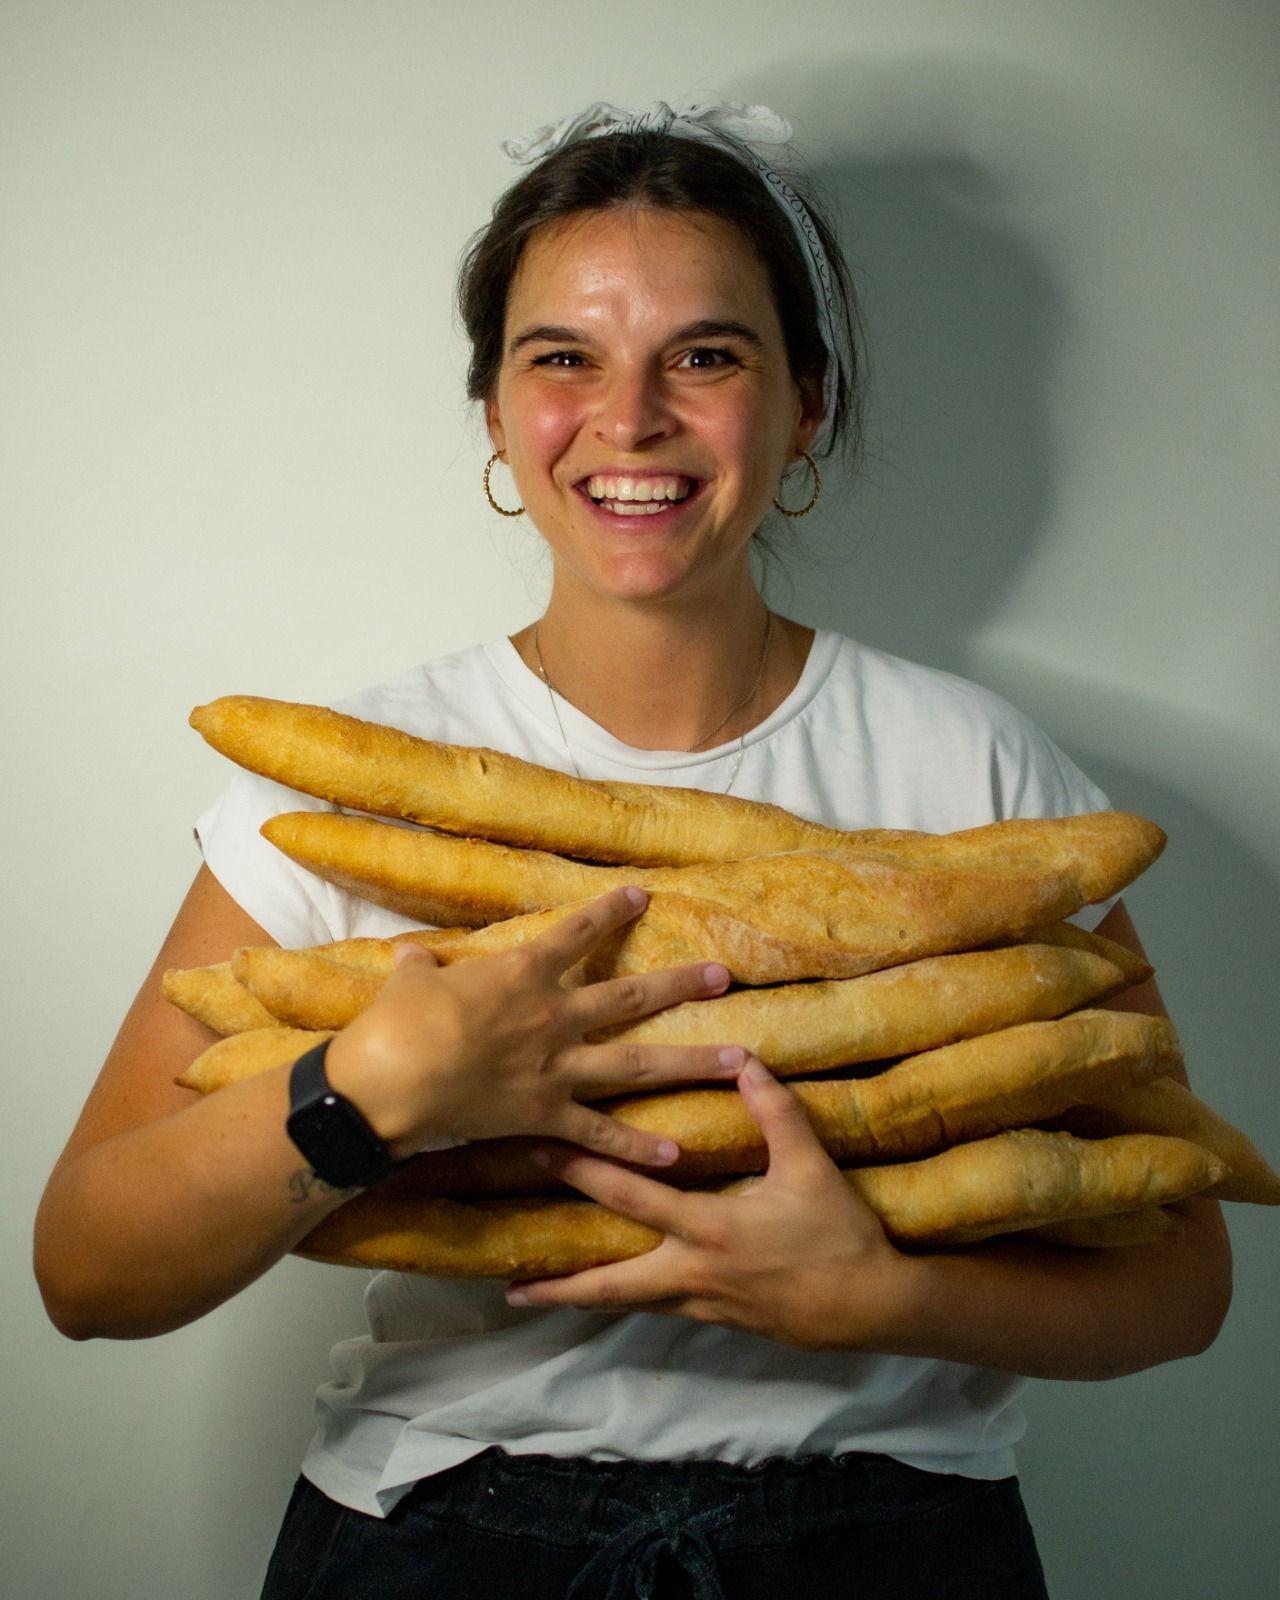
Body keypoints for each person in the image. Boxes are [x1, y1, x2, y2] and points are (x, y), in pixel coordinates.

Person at [34, 102, 1231, 1599]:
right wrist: (374, 1093)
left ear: (807, 406)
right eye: (563, 359)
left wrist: (876, 1290)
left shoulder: (975, 775)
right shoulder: (348, 787)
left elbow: (1184, 1278)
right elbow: (85, 1271)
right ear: (492, 414)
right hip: (445, 1531)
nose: (634, 415)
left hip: (887, 1539)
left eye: (708, 355)